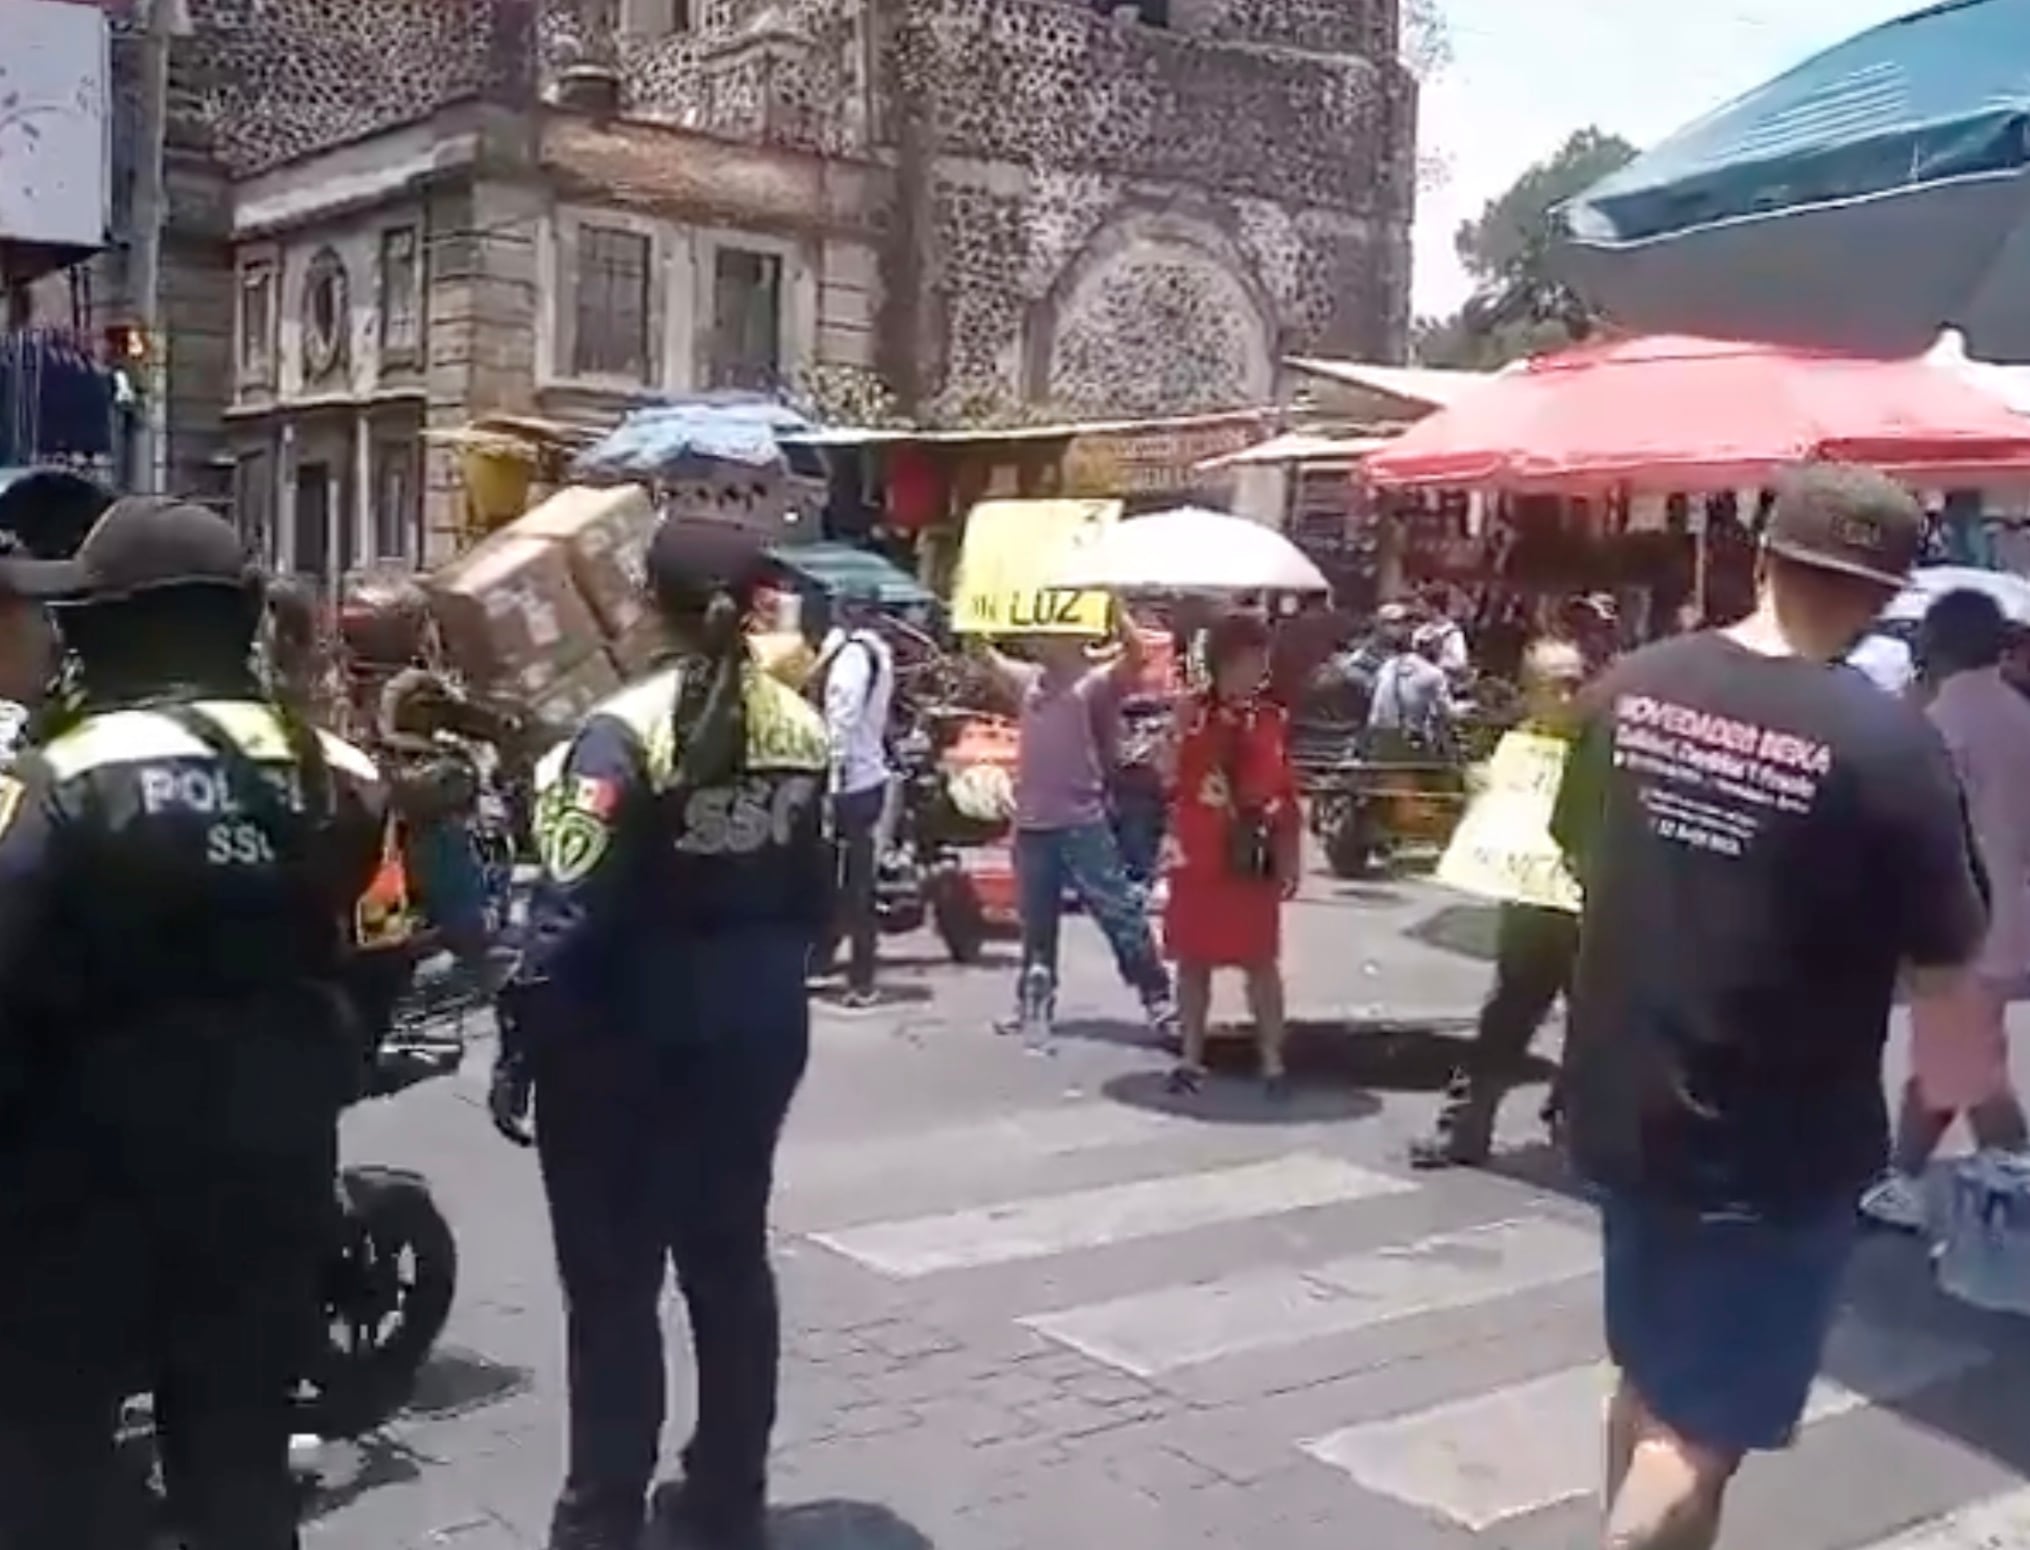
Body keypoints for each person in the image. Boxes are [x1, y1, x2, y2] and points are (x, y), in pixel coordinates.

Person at [1549, 465, 1987, 1550]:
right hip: (1770, 1147)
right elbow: (1944, 965)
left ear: (1760, 556)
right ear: (1887, 595)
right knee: (1698, 1431)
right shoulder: (1888, 748)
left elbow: (1573, 846)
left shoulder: (1630, 685)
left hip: (1616, 1098)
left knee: (1652, 1383)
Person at [0, 497, 386, 1550]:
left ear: (99, 630)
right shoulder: (338, 777)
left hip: (81, 1198)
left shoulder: (47, 784)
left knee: (53, 1475)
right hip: (271, 1179)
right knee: (240, 1469)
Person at [489, 519, 830, 1550]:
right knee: (728, 1265)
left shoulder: (619, 731)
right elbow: (815, 893)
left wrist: (519, 1043)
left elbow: (569, 912)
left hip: (622, 1047)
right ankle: (728, 1494)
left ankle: (599, 1518)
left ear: (644, 604)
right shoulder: (801, 729)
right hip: (757, 1031)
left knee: (612, 1288)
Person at [1861, 588, 2030, 1230]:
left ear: (1940, 643)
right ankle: (1901, 1178)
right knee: (1953, 1058)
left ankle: (2005, 1176)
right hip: (2007, 921)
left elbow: (1912, 832)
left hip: (1954, 925)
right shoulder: (2019, 717)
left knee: (1964, 1069)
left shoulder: (1935, 726)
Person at [1409, 636, 1589, 1169]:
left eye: (1579, 681)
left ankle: (1574, 1118)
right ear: (1531, 693)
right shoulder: (1516, 746)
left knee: (1597, 1022)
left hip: (1591, 907)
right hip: (1532, 908)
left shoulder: (1605, 746)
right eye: (1558, 684)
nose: (1571, 693)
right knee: (1507, 1014)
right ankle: (1464, 1128)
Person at [971, 613, 1177, 1046]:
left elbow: (1136, 654)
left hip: (1082, 819)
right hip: (1032, 823)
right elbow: (983, 657)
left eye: (1049, 631)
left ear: (1072, 639)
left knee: (1118, 911)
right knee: (1036, 921)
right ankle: (1033, 1004)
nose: (1038, 638)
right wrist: (975, 613)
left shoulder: (1093, 683)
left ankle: (1158, 996)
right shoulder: (1031, 682)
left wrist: (1112, 606)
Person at [1162, 612, 1300, 1096]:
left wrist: (1290, 851)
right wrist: (1176, 732)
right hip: (1199, 850)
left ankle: (1273, 1062)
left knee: (1260, 962)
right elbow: (1164, 775)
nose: (1254, 672)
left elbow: (1285, 787)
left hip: (1251, 852)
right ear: (1221, 663)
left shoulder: (1270, 719)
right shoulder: (1191, 713)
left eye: (1261, 662)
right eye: (1246, 661)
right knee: (1192, 961)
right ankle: (1190, 1058)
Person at [809, 584, 894, 1009]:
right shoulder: (870, 648)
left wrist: (831, 781)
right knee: (836, 877)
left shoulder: (857, 656)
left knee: (851, 882)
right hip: (865, 777)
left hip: (850, 781)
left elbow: (841, 717)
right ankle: (820, 962)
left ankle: (861, 978)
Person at [1366, 608, 1454, 756]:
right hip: (1408, 743)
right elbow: (1445, 714)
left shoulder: (1388, 665)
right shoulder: (1433, 674)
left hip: (1379, 740)